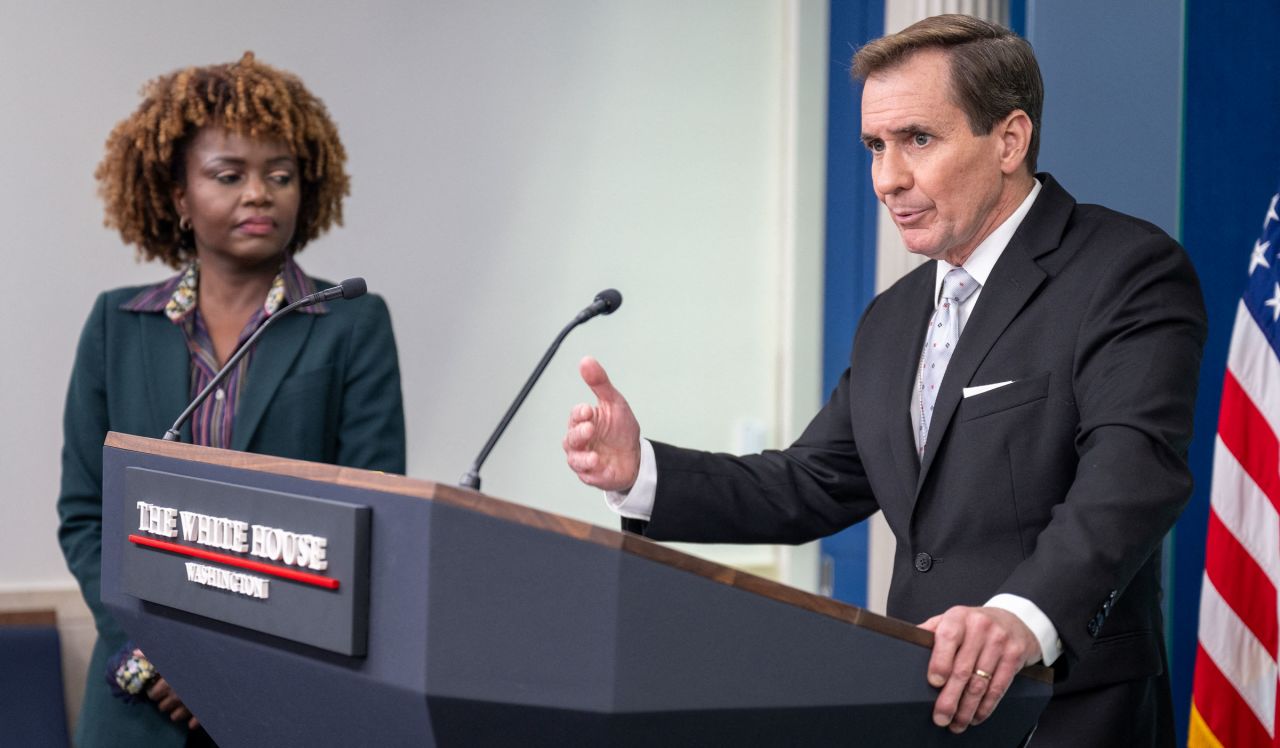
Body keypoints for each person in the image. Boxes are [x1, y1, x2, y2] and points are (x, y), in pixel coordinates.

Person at [563, 15, 1205, 747]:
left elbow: (1130, 477)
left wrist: (1018, 618)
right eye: (875, 145)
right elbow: (809, 483)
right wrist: (640, 471)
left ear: (1009, 139)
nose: (887, 177)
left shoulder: (1123, 270)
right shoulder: (893, 318)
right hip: (919, 707)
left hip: (1070, 714)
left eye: (917, 140)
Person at [58, 52, 406, 747]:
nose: (259, 194)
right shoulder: (114, 326)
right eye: (229, 176)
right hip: (139, 708)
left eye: (280, 176)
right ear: (181, 198)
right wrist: (154, 657)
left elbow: (370, 517)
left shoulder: (351, 323)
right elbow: (87, 513)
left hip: (286, 699)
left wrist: (235, 667)